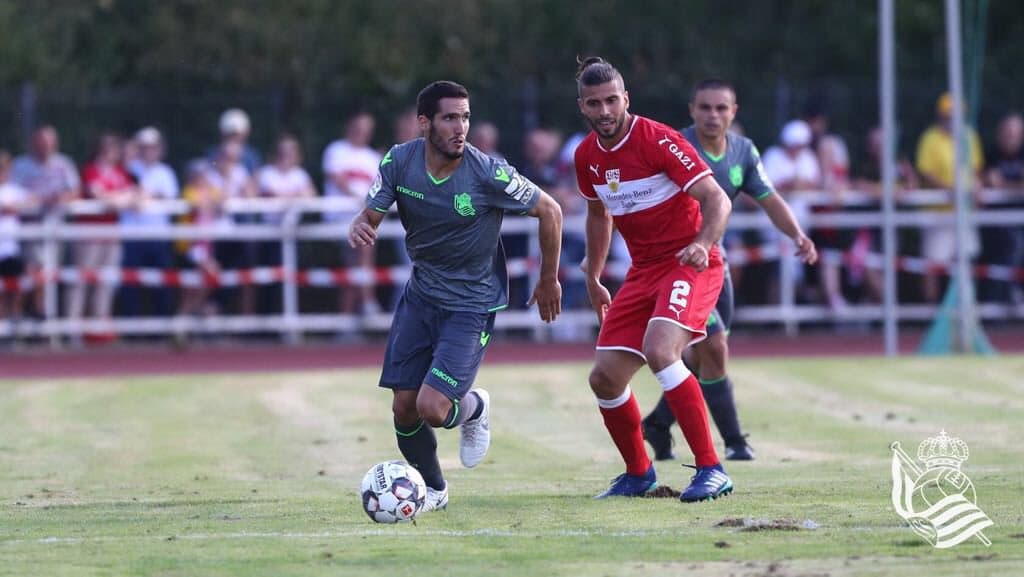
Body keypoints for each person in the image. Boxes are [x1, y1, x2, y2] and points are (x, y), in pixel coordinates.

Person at [347, 80, 563, 512]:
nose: (460, 126)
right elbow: (369, 214)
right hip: (421, 295)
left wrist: (548, 279)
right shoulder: (399, 161)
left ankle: (474, 407)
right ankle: (435, 491)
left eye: (465, 116)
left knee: (431, 406)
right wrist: (359, 224)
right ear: (424, 123)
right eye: (449, 117)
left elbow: (551, 210)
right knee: (404, 408)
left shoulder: (487, 172)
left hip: (470, 304)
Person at [573, 57, 733, 502]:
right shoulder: (586, 155)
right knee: (604, 378)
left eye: (611, 100)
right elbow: (598, 213)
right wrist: (594, 273)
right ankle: (639, 473)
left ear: (626, 98)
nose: (604, 111)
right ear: (582, 107)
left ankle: (712, 468)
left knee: (661, 350)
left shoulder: (659, 139)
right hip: (642, 271)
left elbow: (717, 200)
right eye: (594, 104)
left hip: (690, 262)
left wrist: (702, 243)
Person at [640, 79, 818, 463]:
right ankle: (735, 443)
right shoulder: (677, 145)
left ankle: (656, 423)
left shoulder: (743, 151)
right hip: (681, 265)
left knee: (706, 358)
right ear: (692, 110)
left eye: (721, 108)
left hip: (715, 265)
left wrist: (798, 235)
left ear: (734, 112)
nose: (713, 115)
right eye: (705, 107)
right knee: (715, 348)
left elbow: (770, 200)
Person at [914, 92, 984, 303]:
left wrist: (977, 186)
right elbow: (925, 172)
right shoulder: (931, 138)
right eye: (948, 115)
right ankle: (932, 312)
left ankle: (966, 310)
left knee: (965, 263)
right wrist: (949, 189)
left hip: (963, 212)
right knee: (933, 265)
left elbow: (976, 168)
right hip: (938, 214)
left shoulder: (969, 137)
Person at [324, 111, 383, 316]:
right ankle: (368, 300)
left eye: (367, 129)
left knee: (355, 265)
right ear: (349, 127)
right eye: (358, 128)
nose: (362, 133)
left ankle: (347, 319)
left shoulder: (373, 157)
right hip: (340, 218)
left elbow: (382, 188)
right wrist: (360, 198)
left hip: (363, 218)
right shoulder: (336, 150)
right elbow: (337, 178)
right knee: (362, 252)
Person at [122, 127, 180, 318]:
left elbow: (169, 198)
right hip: (132, 236)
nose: (149, 151)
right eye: (145, 147)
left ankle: (162, 325)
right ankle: (131, 326)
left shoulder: (165, 172)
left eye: (153, 147)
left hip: (158, 236)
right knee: (131, 283)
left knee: (161, 283)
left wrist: (145, 195)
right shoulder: (128, 169)